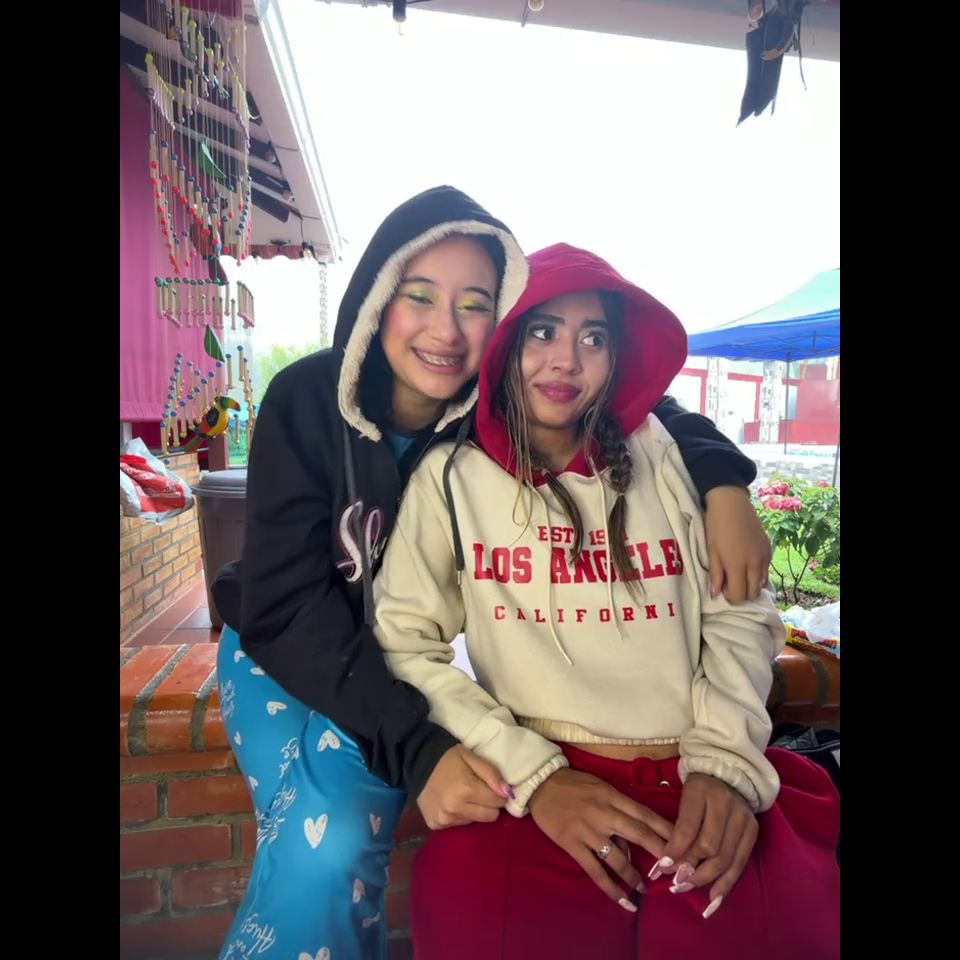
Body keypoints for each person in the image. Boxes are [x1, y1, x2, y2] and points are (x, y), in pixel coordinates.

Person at [212, 189, 772, 959]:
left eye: (475, 305)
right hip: (282, 645)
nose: (445, 329)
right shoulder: (308, 399)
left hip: (382, 664)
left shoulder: (497, 397)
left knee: (333, 845)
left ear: (498, 325)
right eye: (419, 295)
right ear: (377, 297)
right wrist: (423, 751)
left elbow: (644, 404)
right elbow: (285, 603)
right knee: (322, 844)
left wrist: (724, 482)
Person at [373, 242, 840, 960]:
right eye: (543, 332)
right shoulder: (450, 478)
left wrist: (724, 767)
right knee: (479, 915)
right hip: (544, 785)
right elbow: (405, 642)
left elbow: (739, 615)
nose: (566, 360)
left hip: (700, 772)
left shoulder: (672, 456)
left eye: (593, 338)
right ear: (506, 342)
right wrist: (536, 778)